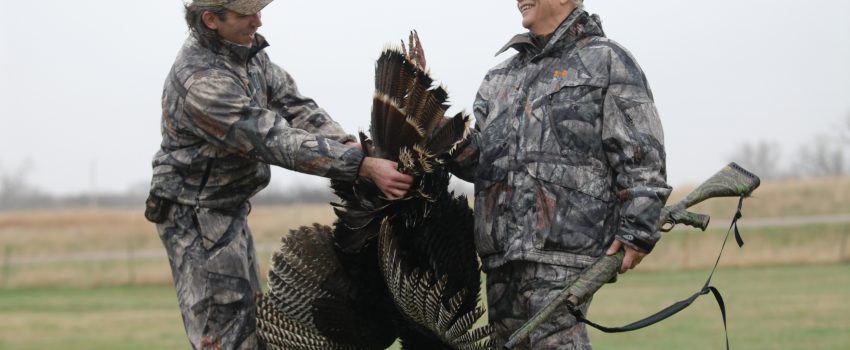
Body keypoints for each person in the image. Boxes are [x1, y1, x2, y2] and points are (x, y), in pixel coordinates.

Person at [144, 0, 413, 348]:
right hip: (195, 216)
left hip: (227, 209)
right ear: (211, 19)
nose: (258, 19)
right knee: (226, 335)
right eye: (246, 13)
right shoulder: (202, 82)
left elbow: (296, 107)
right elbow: (272, 138)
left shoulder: (248, 56)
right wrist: (358, 166)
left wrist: (349, 145)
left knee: (251, 329)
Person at [448, 0, 672, 348]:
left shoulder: (606, 61)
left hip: (564, 257)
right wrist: (438, 134)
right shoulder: (499, 78)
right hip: (501, 260)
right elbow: (481, 166)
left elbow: (640, 152)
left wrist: (638, 229)